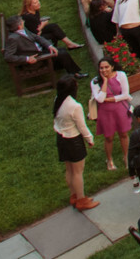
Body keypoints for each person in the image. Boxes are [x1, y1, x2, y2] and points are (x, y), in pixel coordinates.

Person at [53, 75, 100, 209]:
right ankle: (82, 200)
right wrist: (90, 139)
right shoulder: (75, 106)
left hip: (61, 138)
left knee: (69, 170)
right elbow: (82, 126)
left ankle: (73, 196)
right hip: (73, 140)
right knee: (78, 172)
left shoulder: (58, 99)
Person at [91, 58, 133, 171]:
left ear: (112, 67)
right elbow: (100, 99)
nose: (104, 70)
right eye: (101, 68)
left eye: (106, 67)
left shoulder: (121, 75)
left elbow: (125, 94)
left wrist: (110, 99)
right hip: (105, 112)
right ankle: (109, 160)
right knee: (109, 137)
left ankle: (126, 157)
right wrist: (105, 81)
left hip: (120, 109)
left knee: (123, 134)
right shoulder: (95, 81)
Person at [6, 14, 81, 75]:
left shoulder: (23, 29)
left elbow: (36, 37)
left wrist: (49, 45)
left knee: (61, 50)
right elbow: (8, 56)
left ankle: (72, 70)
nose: (23, 21)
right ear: (19, 26)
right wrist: (27, 59)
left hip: (39, 49)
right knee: (63, 54)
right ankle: (75, 73)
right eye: (22, 21)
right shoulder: (13, 39)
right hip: (37, 58)